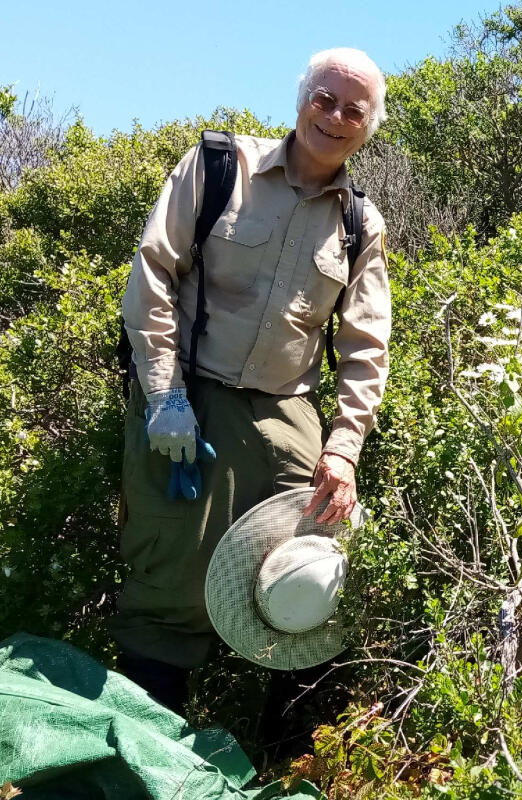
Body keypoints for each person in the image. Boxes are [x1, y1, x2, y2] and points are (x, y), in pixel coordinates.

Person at [109, 47, 391, 718]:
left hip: (286, 413)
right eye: (325, 98)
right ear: (300, 99)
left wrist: (344, 448)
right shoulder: (217, 167)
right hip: (190, 401)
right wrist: (163, 395)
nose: (336, 116)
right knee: (168, 584)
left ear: (369, 125)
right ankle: (155, 753)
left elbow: (365, 344)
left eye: (355, 108)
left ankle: (295, 759)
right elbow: (153, 274)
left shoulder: (360, 223)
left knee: (312, 578)